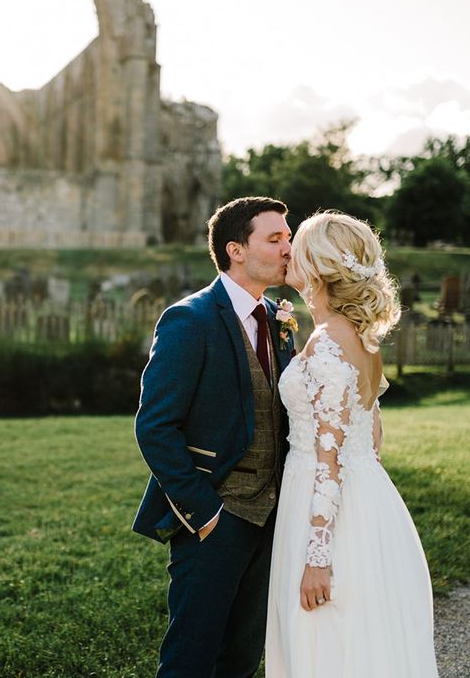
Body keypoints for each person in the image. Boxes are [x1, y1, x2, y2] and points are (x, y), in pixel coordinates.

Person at [265, 210, 438, 677]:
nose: (287, 252)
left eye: (296, 245)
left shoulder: (326, 344)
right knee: (364, 643)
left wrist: (318, 557)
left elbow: (329, 456)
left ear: (318, 267)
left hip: (322, 507)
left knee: (323, 641)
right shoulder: (362, 339)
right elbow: (372, 435)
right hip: (367, 499)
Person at [133, 196, 296, 678]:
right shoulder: (190, 319)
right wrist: (204, 516)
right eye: (275, 238)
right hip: (214, 520)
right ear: (236, 250)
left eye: (288, 237)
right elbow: (155, 426)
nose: (289, 248)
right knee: (190, 659)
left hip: (271, 521)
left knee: (242, 660)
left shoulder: (281, 319)